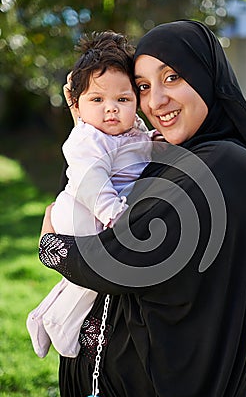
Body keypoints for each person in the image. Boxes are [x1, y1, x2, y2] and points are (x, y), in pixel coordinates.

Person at [38, 20, 246, 397]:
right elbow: (102, 166)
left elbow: (119, 259)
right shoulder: (178, 156)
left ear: (207, 76)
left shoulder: (223, 164)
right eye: (143, 86)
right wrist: (87, 112)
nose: (157, 99)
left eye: (172, 76)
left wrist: (52, 246)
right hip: (122, 391)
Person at [27, 31, 153, 358]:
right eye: (97, 100)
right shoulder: (88, 138)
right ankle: (61, 326)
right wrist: (113, 213)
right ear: (77, 106)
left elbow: (141, 150)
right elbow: (89, 179)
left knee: (89, 279)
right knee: (92, 275)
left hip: (95, 210)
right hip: (81, 209)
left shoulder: (134, 131)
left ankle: (45, 317)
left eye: (122, 100)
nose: (110, 109)